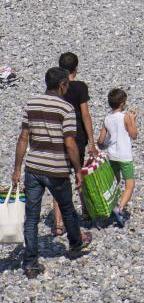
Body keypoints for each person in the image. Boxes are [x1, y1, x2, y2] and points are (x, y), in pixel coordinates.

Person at [12, 67, 92, 278]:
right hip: (56, 168)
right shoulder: (65, 108)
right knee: (67, 208)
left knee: (31, 217)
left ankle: (30, 263)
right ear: (62, 84)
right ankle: (75, 244)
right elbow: (70, 143)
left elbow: (23, 138)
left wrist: (17, 169)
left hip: (33, 168)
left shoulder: (31, 103)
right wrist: (77, 170)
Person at [52, 52, 97, 235]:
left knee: (59, 179)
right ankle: (85, 212)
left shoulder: (55, 87)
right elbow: (85, 115)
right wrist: (91, 141)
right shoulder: (80, 87)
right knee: (80, 174)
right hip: (77, 137)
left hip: (59, 136)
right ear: (76, 68)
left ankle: (58, 222)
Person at [97, 88, 138, 227]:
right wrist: (132, 120)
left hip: (112, 155)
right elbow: (134, 135)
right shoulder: (125, 116)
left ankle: (110, 205)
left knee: (115, 181)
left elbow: (101, 141)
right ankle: (119, 208)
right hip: (125, 155)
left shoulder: (107, 119)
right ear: (122, 103)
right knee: (130, 185)